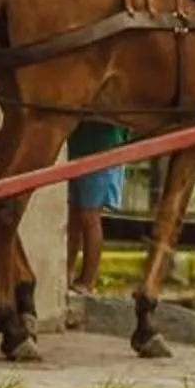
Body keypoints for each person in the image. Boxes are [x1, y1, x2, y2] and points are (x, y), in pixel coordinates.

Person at [65, 118, 132, 294]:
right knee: (74, 216)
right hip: (78, 146)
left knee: (90, 216)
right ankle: (67, 272)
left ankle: (88, 280)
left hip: (103, 149)